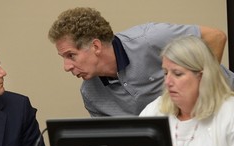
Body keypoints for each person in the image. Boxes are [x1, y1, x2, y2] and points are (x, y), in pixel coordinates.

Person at [48, 7, 234, 117]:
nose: (67, 67)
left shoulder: (150, 38)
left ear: (96, 46)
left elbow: (215, 37)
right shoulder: (90, 94)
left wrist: (202, 93)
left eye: (71, 55)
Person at [140, 35, 234, 146]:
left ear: (202, 76)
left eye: (177, 74)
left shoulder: (229, 111)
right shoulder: (155, 109)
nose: (168, 82)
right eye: (166, 73)